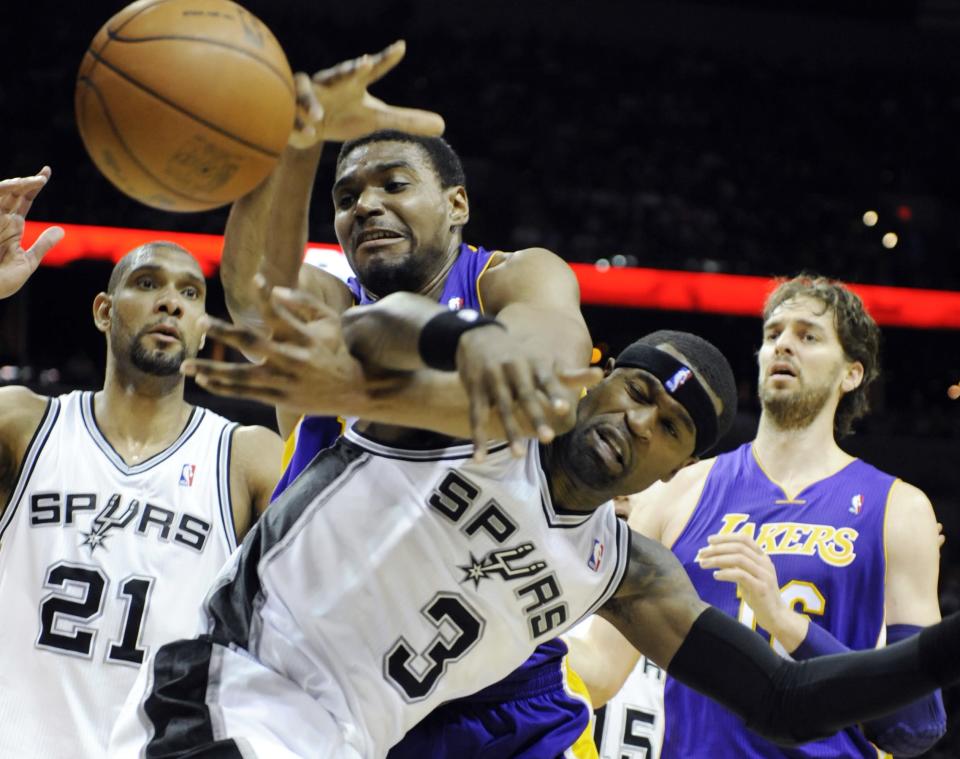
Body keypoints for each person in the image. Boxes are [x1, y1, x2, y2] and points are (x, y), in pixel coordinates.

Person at [108, 288, 960, 758]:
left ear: (673, 469)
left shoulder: (623, 568)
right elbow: (379, 332)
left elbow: (785, 699)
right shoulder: (482, 417)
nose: (637, 423)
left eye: (668, 428)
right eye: (638, 392)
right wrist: (463, 333)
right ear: (599, 379)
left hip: (338, 741)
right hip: (232, 691)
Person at [218, 42, 603, 758]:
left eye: (394, 184)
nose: (366, 204)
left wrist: (357, 389)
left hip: (502, 695)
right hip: (335, 688)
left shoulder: (511, 279)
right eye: (346, 196)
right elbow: (251, 306)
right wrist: (298, 143)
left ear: (457, 204)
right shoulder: (331, 303)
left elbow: (548, 385)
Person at [568, 274, 947, 758]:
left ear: (852, 374)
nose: (784, 345)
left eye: (808, 336)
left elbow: (915, 726)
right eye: (773, 334)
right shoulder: (680, 490)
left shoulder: (900, 508)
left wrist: (788, 625)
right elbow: (599, 671)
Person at [0, 168, 283, 758]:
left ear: (204, 330)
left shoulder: (245, 459)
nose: (169, 303)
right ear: (104, 311)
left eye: (190, 293)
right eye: (148, 283)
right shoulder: (24, 426)